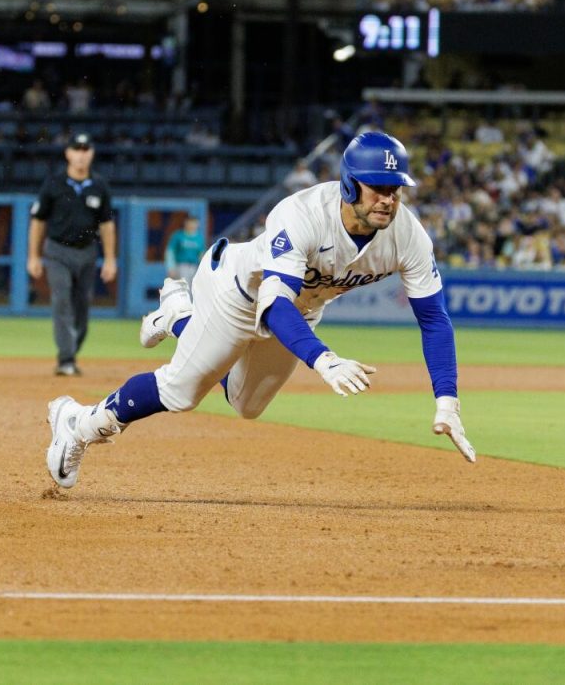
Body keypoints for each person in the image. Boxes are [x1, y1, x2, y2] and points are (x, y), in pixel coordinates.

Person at [44, 131, 475, 489]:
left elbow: (434, 319)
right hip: (237, 293)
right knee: (182, 391)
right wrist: (323, 360)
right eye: (378, 187)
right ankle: (79, 423)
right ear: (348, 184)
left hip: (297, 313)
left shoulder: (409, 236)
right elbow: (271, 304)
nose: (389, 198)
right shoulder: (302, 214)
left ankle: (178, 317)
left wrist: (447, 400)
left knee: (246, 406)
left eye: (396, 188)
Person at [27, 133, 118, 376]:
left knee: (82, 308)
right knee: (62, 299)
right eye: (76, 149)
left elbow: (107, 225)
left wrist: (110, 258)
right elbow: (38, 221)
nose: (81, 154)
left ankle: (70, 352)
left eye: (85, 149)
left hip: (87, 253)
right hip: (57, 251)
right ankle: (66, 358)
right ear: (68, 153)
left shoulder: (99, 186)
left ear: (91, 153)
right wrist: (33, 256)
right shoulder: (54, 183)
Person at [164, 214, 207, 284]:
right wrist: (171, 267)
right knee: (183, 287)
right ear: (186, 223)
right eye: (190, 223)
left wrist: (203, 268)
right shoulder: (178, 235)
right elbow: (170, 252)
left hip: (194, 266)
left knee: (193, 288)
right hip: (181, 266)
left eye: (194, 223)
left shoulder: (199, 238)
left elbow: (201, 254)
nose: (192, 225)